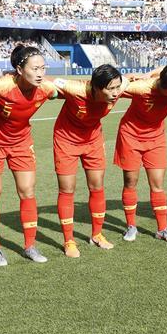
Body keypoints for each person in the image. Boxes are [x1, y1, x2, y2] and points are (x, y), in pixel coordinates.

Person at [0, 45, 59, 266]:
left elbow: (73, 90)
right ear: (19, 69)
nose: (41, 73)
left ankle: (29, 246)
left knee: (27, 191)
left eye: (43, 68)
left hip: (21, 142)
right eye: (35, 68)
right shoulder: (1, 86)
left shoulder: (45, 89)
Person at [53, 64, 126, 258]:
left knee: (97, 186)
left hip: (93, 139)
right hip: (66, 140)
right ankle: (69, 240)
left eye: (117, 87)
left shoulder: (120, 88)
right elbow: (48, 83)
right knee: (67, 189)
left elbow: (138, 81)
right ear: (95, 87)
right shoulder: (76, 89)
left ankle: (97, 235)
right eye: (110, 89)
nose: (115, 92)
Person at [115, 62, 167, 243]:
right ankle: (131, 226)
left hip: (156, 138)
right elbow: (113, 87)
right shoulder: (142, 88)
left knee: (157, 184)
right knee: (130, 182)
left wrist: (149, 71)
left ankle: (162, 229)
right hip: (130, 136)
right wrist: (129, 77)